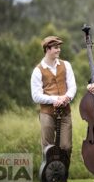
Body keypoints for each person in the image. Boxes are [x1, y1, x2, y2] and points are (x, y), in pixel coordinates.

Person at [30, 36, 77, 174]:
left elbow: (72, 87)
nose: (59, 50)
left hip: (65, 111)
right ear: (47, 49)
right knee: (48, 147)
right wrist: (55, 99)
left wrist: (66, 97)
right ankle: (49, 176)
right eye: (56, 47)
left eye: (59, 47)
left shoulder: (66, 65)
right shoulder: (37, 71)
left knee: (66, 146)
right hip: (47, 113)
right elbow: (36, 96)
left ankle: (63, 175)